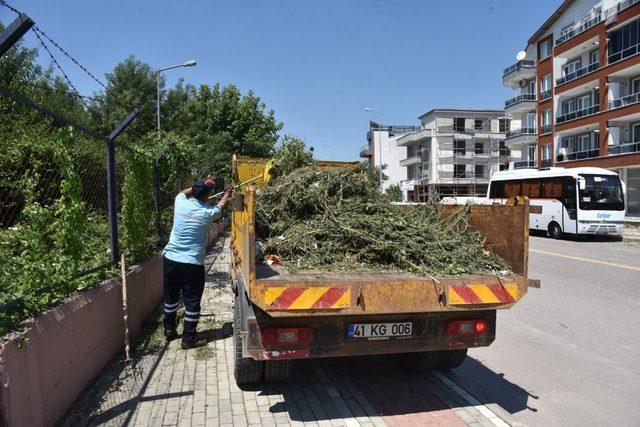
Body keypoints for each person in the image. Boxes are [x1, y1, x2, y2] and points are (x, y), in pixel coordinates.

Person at [162, 178, 233, 349]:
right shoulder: (208, 212)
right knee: (192, 301)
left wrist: (201, 184)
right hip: (192, 264)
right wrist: (227, 194)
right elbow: (221, 206)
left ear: (193, 193)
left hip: (171, 259)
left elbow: (182, 193)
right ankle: (188, 339)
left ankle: (169, 330)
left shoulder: (180, 203)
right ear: (207, 196)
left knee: (171, 297)